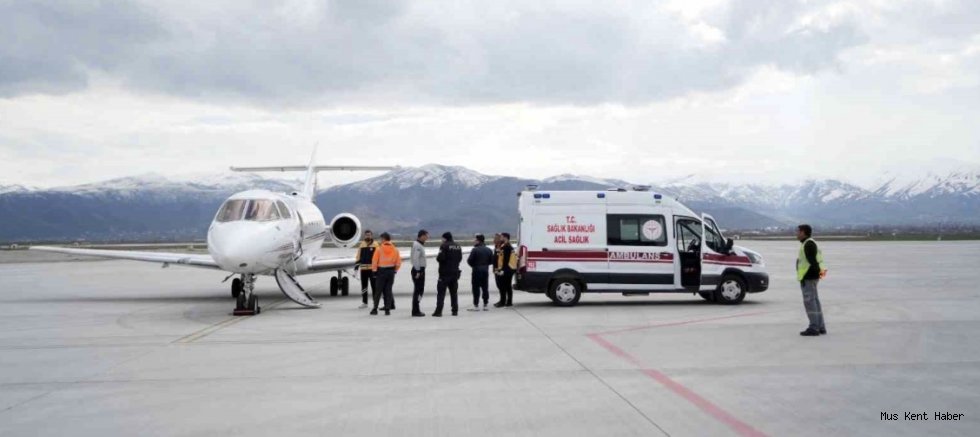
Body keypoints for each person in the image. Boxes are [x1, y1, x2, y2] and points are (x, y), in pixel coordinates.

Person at [796, 224, 827, 336]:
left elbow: (812, 263)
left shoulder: (808, 244)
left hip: (808, 278)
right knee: (815, 301)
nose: (796, 233)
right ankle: (820, 326)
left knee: (810, 302)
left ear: (803, 232)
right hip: (812, 277)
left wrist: (807, 277)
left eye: (798, 231)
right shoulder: (810, 243)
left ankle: (814, 327)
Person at [370, 232, 401, 316]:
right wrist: (395, 270)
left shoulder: (379, 249)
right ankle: (387, 309)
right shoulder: (395, 249)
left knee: (378, 291)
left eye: (381, 239)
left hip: (381, 271)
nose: (380, 241)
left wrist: (374, 271)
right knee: (388, 290)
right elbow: (398, 262)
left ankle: (375, 309)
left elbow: (374, 261)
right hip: (391, 272)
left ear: (383, 239)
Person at [433, 232, 463, 317]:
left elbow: (440, 258)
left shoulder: (444, 246)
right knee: (454, 293)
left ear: (445, 238)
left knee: (441, 293)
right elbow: (460, 258)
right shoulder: (458, 246)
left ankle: (438, 311)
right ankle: (455, 311)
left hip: (444, 273)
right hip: (455, 272)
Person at [466, 233, 493, 311]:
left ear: (478, 240)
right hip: (485, 270)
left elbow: (469, 260)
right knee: (485, 287)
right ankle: (485, 304)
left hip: (476, 270)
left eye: (475, 239)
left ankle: (476, 304)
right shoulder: (489, 250)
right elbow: (491, 261)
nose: (474, 241)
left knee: (476, 288)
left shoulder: (475, 250)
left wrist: (474, 266)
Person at [355, 230, 379, 309]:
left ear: (371, 236)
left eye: (369, 235)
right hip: (363, 269)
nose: (368, 236)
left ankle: (375, 302)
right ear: (364, 236)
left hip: (372, 270)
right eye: (366, 235)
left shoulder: (376, 245)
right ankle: (364, 302)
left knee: (374, 287)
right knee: (364, 287)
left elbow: (379, 256)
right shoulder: (362, 244)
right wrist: (356, 268)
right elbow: (358, 256)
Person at [494, 232, 516, 308]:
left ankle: (507, 301)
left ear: (505, 237)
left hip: (507, 270)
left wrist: (503, 270)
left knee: (506, 286)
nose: (500, 238)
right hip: (506, 269)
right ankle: (503, 301)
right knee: (504, 286)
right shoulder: (504, 246)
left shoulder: (507, 247)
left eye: (501, 237)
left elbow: (506, 260)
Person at [410, 230, 429, 317]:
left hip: (420, 270)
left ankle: (416, 309)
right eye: (426, 236)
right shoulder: (417, 245)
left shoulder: (418, 244)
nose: (427, 237)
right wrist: (418, 271)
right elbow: (415, 259)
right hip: (418, 270)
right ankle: (415, 310)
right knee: (418, 291)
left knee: (419, 290)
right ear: (421, 236)